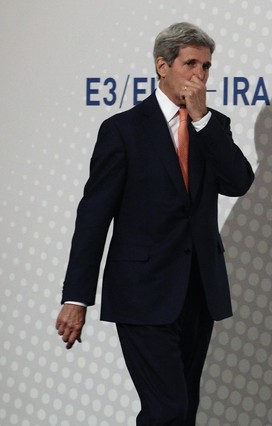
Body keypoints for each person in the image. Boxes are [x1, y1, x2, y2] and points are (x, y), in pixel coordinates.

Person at [55, 22, 254, 425]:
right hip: (142, 293)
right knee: (168, 410)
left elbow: (239, 183)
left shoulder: (213, 126)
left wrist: (201, 121)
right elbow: (93, 217)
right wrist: (77, 297)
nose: (200, 75)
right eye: (191, 64)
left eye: (207, 67)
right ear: (163, 66)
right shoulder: (122, 130)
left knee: (183, 412)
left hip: (199, 290)